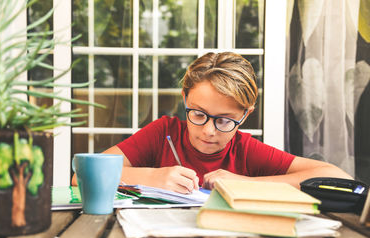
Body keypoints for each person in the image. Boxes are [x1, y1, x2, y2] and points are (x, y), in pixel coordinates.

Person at [72, 52, 352, 193]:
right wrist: (152, 177)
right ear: (185, 98)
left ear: (245, 115)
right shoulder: (162, 133)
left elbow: (339, 178)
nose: (208, 131)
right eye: (198, 114)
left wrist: (246, 184)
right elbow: (79, 179)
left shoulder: (244, 150)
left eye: (225, 121)